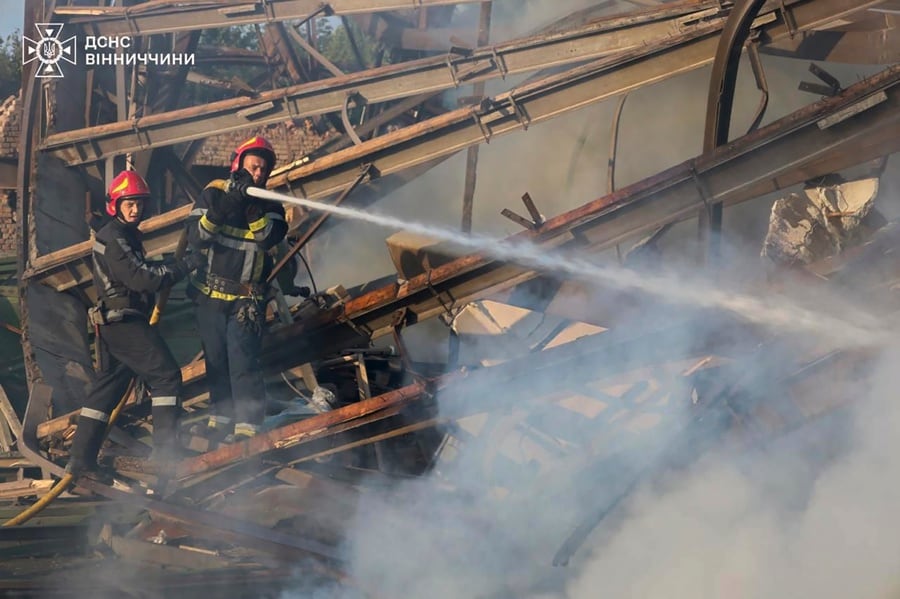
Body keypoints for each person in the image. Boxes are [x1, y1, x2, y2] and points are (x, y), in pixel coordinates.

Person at [66, 171, 203, 481]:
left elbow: (144, 270)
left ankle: (80, 460)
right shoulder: (114, 238)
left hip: (115, 325)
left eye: (139, 204)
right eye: (129, 204)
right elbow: (143, 278)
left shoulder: (123, 235)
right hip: (124, 323)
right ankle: (164, 454)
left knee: (106, 393)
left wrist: (173, 265)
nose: (135, 210)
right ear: (116, 205)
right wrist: (185, 265)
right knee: (166, 376)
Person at [185, 136, 287, 442]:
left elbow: (267, 238)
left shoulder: (271, 205)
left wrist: (251, 206)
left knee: (243, 362)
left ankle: (247, 428)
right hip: (209, 297)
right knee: (215, 361)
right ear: (238, 165)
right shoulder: (213, 194)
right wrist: (227, 204)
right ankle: (221, 418)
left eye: (263, 170)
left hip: (245, 302)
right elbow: (196, 236)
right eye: (253, 167)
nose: (258, 174)